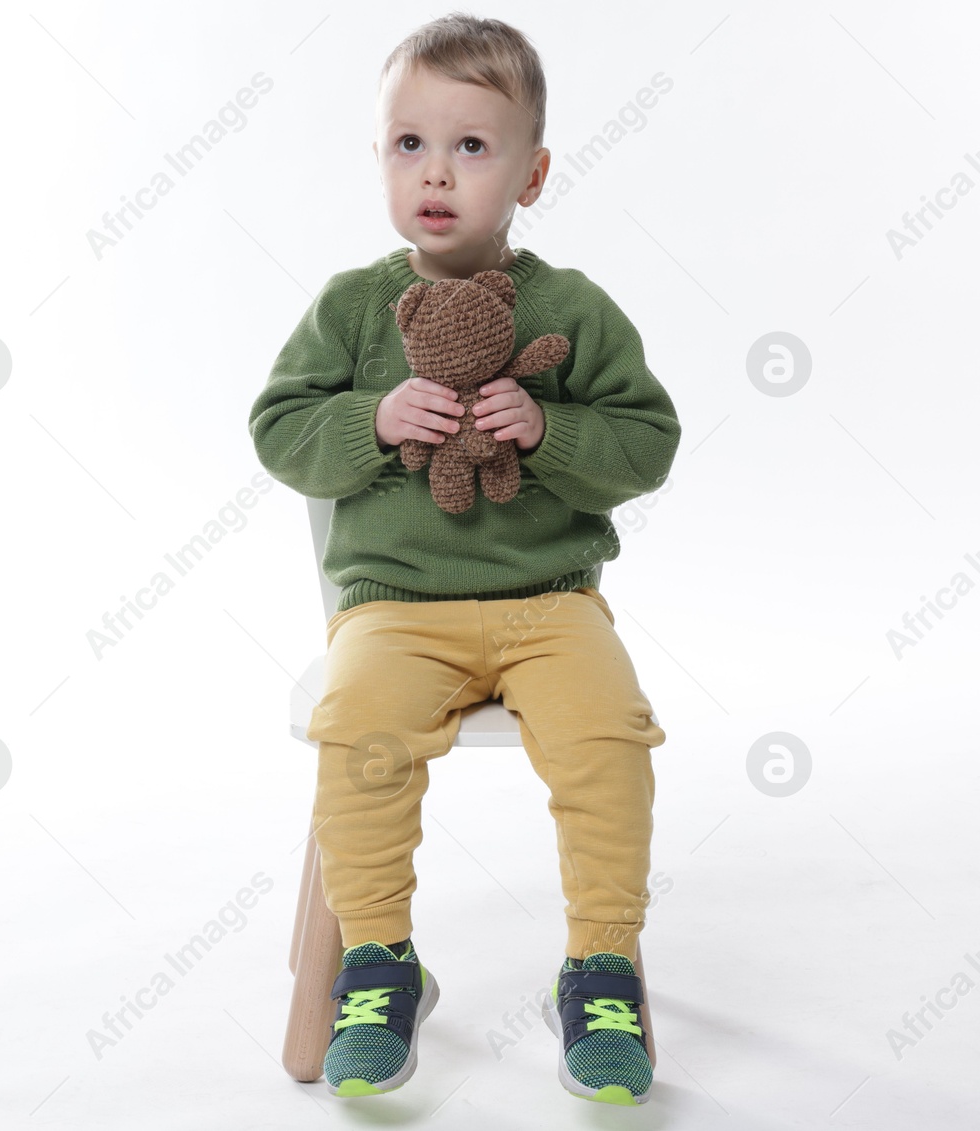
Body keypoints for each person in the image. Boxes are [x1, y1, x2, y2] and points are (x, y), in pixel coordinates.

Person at [247, 13, 679, 1106]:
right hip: (394, 610)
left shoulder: (571, 311)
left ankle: (599, 969)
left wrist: (556, 431)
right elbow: (277, 430)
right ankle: (378, 964)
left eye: (471, 147)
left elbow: (649, 443)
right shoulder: (352, 309)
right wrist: (369, 418)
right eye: (408, 144)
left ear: (531, 175)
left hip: (551, 604)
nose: (435, 171)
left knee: (608, 736)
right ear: (381, 157)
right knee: (357, 731)